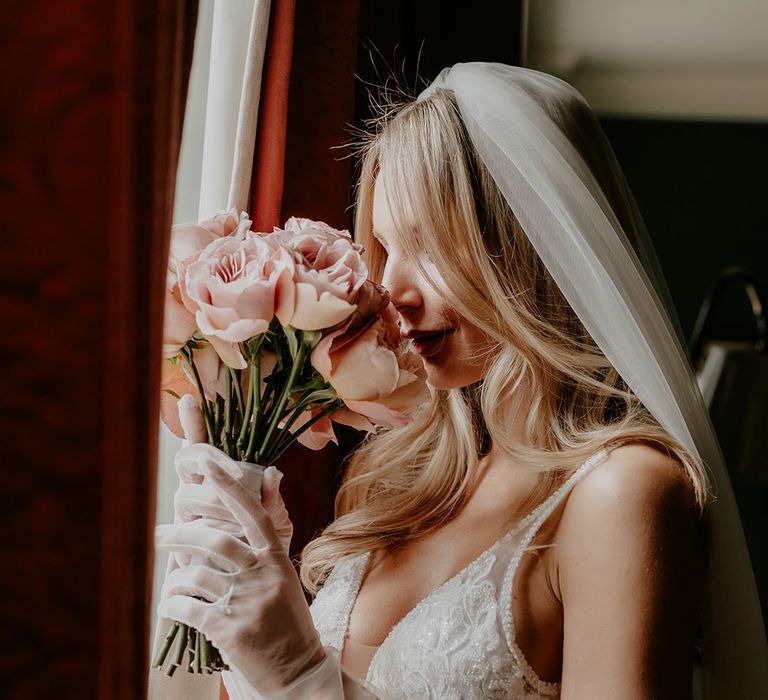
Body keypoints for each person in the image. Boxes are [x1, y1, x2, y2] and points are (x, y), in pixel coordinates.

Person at [154, 63, 768, 699]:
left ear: (533, 244)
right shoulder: (393, 478)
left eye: (430, 245)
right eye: (386, 249)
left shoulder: (624, 492)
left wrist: (299, 674)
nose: (392, 287)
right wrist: (234, 604)